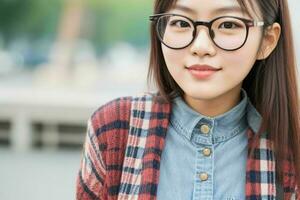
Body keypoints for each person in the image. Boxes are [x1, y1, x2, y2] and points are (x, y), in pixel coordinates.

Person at [76, 0, 300, 199]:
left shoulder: (291, 149)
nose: (200, 47)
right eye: (181, 23)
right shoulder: (115, 129)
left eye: (228, 24)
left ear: (267, 40)